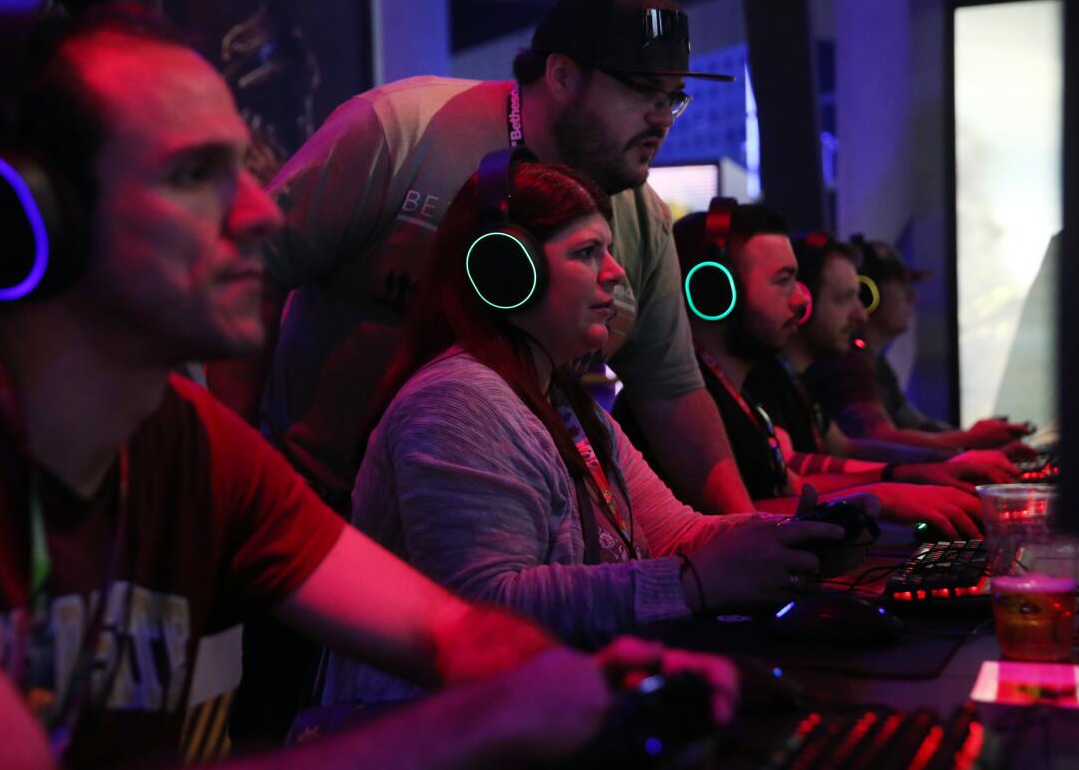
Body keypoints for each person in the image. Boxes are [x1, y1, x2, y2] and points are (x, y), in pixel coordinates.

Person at [0, 0, 739, 769]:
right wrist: (468, 728)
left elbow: (447, 631)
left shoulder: (189, 444)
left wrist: (602, 688)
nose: (257, 214)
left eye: (240, 169)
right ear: (15, 218)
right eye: (190, 176)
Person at [322, 155, 868, 705]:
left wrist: (787, 539)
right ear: (507, 273)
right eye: (587, 252)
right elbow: (485, 604)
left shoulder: (566, 404)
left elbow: (674, 531)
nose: (617, 272)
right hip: (435, 737)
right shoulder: (457, 401)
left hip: (539, 718)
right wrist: (690, 582)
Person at [232, 0, 757, 517]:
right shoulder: (399, 132)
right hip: (318, 505)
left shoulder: (644, 218)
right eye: (642, 89)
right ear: (561, 75)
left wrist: (747, 531)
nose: (661, 118)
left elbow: (671, 393)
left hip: (511, 528)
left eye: (673, 98)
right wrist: (235, 475)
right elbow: (248, 269)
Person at [620, 203, 1003, 538]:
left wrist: (902, 481)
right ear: (715, 293)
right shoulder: (678, 407)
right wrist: (887, 491)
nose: (802, 299)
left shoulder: (736, 394)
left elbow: (795, 489)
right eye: (784, 281)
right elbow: (730, 522)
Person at [797, 235, 1036, 460]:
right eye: (903, 284)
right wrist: (971, 441)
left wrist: (974, 440)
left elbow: (913, 426)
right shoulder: (846, 364)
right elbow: (876, 438)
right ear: (873, 293)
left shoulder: (874, 362)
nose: (913, 297)